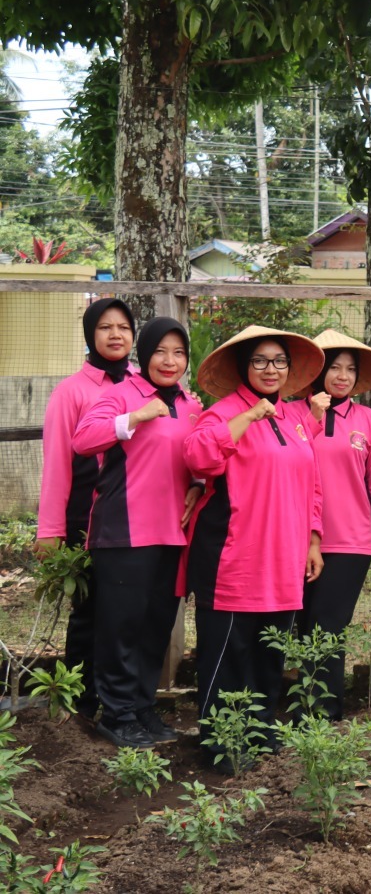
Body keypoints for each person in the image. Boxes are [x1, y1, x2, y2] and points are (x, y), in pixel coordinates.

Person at [184, 325, 326, 756]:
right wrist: (246, 418)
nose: (271, 369)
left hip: (283, 561)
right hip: (234, 561)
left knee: (270, 653)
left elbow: (311, 484)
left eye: (279, 361)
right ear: (244, 366)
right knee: (228, 654)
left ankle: (259, 733)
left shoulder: (295, 419)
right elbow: (198, 457)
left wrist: (313, 541)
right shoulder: (222, 412)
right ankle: (220, 745)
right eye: (260, 361)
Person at [71, 317, 200, 748]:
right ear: (144, 353)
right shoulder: (121, 394)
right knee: (121, 628)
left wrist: (198, 486)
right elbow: (83, 439)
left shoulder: (190, 403)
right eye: (161, 351)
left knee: (154, 627)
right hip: (124, 533)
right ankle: (117, 713)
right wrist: (136, 417)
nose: (170, 361)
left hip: (171, 534)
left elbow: (200, 456)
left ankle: (143, 708)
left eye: (179, 352)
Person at [38, 296, 135, 723]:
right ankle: (79, 707)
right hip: (88, 518)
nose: (116, 335)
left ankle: (124, 703)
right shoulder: (71, 391)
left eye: (124, 328)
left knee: (126, 615)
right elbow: (57, 463)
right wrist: (50, 529)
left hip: (138, 518)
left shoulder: (141, 384)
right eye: (105, 327)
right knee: (89, 615)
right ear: (90, 335)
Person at [297, 329, 371, 720]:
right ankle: (299, 707)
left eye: (349, 369)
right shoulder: (293, 412)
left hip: (351, 541)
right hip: (299, 537)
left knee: (329, 627)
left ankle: (325, 713)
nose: (342, 376)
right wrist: (312, 415)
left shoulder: (367, 419)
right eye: (333, 367)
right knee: (301, 625)